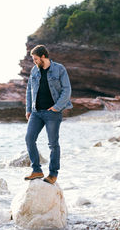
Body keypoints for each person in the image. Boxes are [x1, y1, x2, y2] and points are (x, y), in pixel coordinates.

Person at [24, 44, 72, 184]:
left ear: (43, 56)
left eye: (35, 59)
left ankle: (53, 174)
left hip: (52, 113)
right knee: (29, 139)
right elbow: (29, 91)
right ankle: (37, 170)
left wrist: (57, 107)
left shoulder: (59, 69)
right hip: (36, 112)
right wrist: (28, 109)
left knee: (53, 144)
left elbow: (67, 90)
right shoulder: (34, 70)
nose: (34, 61)